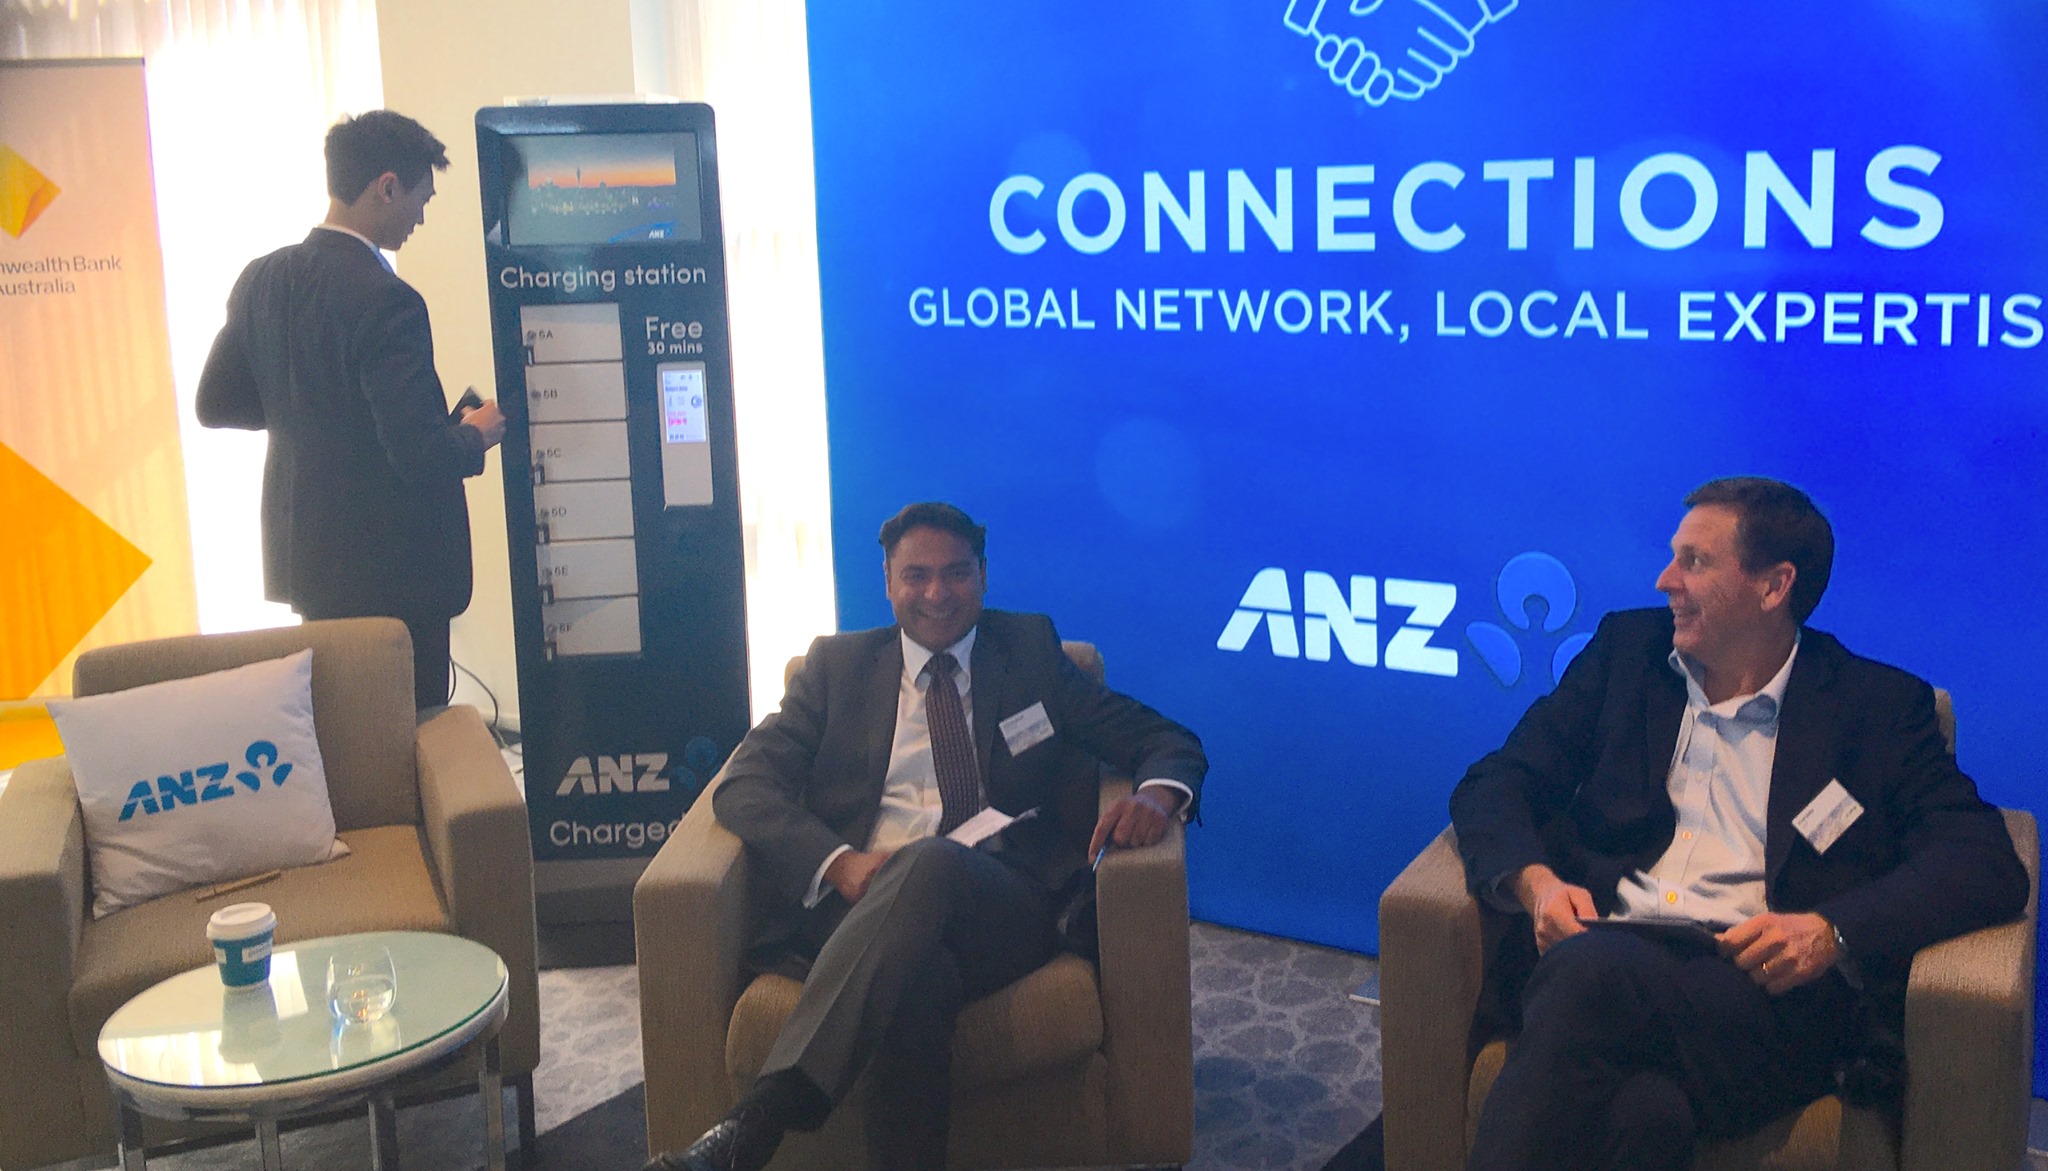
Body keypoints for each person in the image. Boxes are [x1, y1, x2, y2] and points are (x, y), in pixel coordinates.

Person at [1443, 476, 2027, 1170]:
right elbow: (1498, 781)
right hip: (1611, 941)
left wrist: (1831, 930)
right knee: (1645, 1116)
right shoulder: (1625, 655)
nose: (1665, 580)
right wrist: (1535, 885)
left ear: (1775, 586)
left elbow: (1982, 856)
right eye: (1673, 556)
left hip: (1757, 994)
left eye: (1695, 561)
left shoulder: (1874, 706)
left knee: (1585, 982)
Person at [645, 501, 1207, 1171]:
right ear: (887, 581)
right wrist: (839, 863)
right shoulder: (836, 669)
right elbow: (744, 784)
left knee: (932, 861)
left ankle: (758, 1124)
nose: (936, 593)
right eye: (916, 575)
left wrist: (1154, 793)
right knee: (918, 983)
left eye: (955, 573)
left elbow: (1164, 739)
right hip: (864, 911)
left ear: (984, 576)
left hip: (1003, 903)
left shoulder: (1030, 652)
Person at [196, 109, 505, 708]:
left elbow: (217, 403)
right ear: (387, 187)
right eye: (422, 199)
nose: (421, 216)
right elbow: (420, 454)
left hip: (311, 560)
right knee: (409, 732)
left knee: (339, 733)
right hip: (395, 573)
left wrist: (313, 413)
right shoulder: (388, 300)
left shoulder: (262, 278)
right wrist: (478, 434)